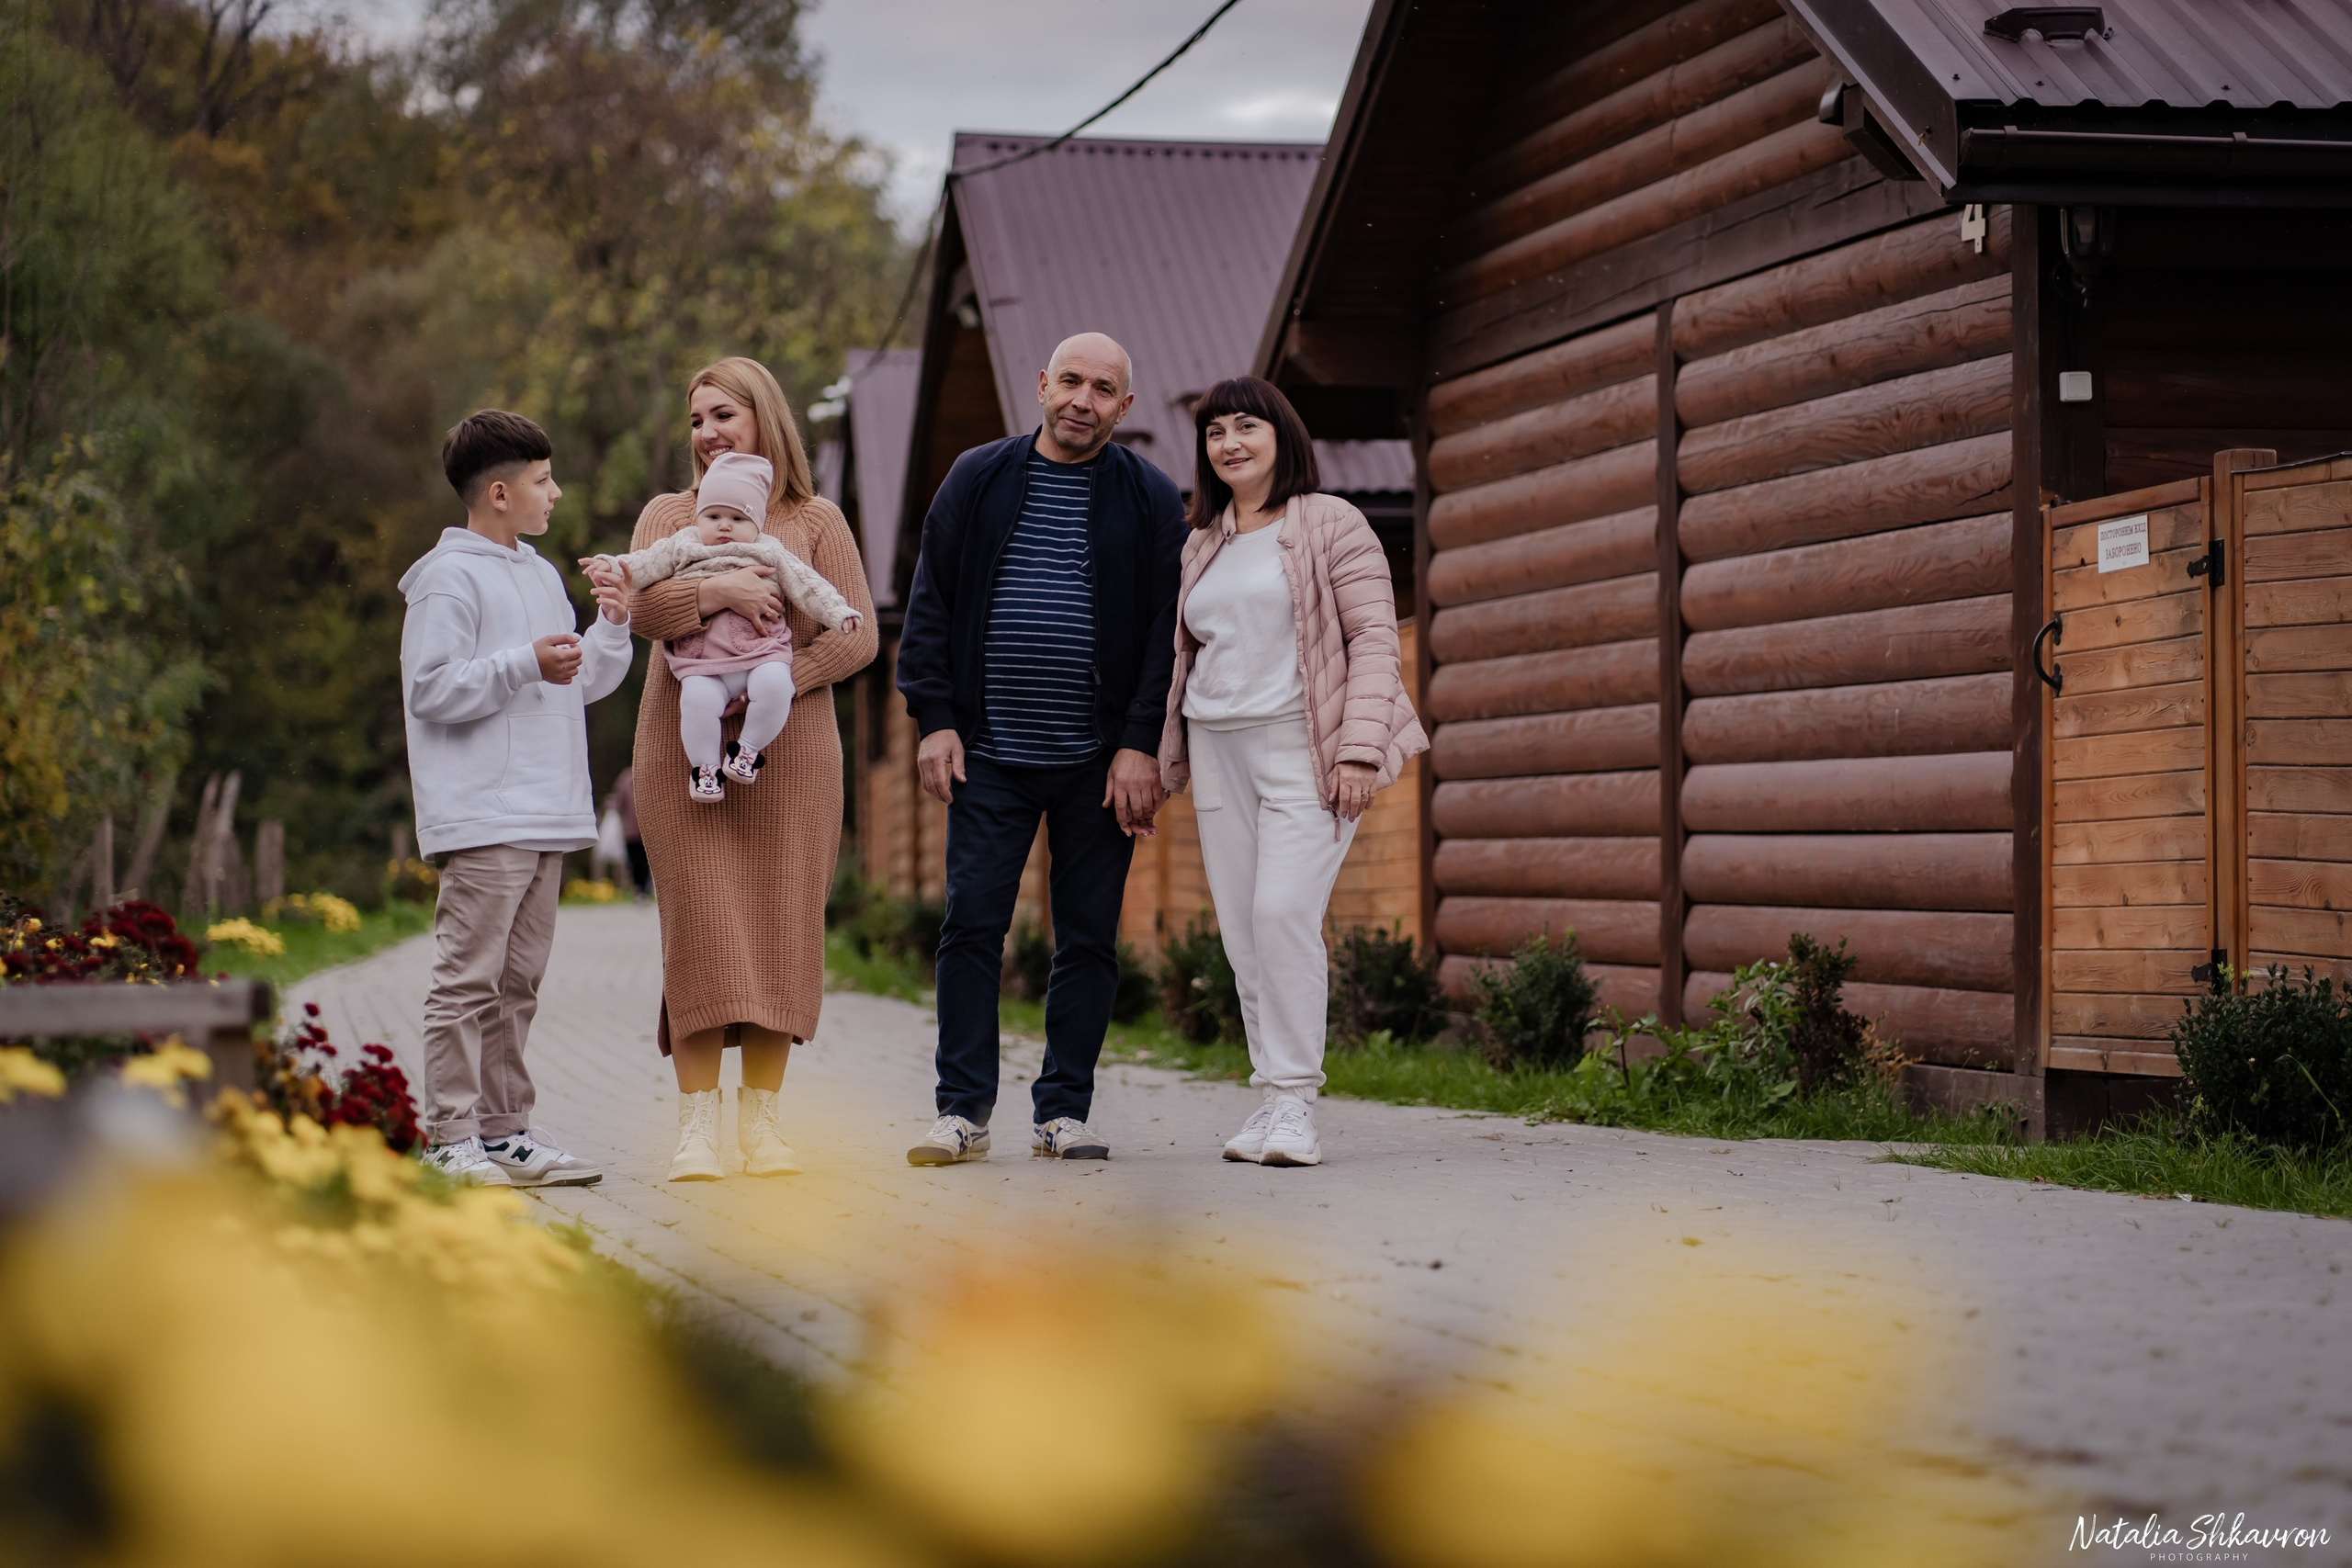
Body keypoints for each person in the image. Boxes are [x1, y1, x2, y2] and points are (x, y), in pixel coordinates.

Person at [895, 332, 1185, 1167]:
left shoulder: (1152, 498)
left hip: (1099, 765)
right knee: (972, 926)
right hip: (988, 755)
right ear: (1040, 385)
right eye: (1070, 381)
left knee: (1088, 936)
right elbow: (931, 607)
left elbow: (1166, 638)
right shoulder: (978, 477)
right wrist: (935, 719)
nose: (1082, 400)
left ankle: (1064, 1109)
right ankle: (962, 1111)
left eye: (1102, 389)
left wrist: (1138, 744)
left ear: (1124, 408)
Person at [583, 357, 876, 1182]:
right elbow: (639, 609)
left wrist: (781, 676)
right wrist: (721, 599)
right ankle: (696, 1130)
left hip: (792, 754)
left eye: (724, 416)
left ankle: (764, 1127)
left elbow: (855, 634)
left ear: (764, 419)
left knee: (782, 929)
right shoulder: (670, 515)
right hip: (685, 751)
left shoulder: (816, 520)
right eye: (697, 420)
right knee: (704, 930)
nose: (709, 434)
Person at [1157, 377, 1427, 1168]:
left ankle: (1297, 1105)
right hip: (1217, 746)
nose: (1231, 442)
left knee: (1281, 913)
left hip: (1304, 746)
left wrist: (1358, 750)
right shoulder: (1201, 541)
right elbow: (1187, 655)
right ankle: (1269, 1096)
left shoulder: (1332, 522)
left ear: (1281, 435)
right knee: (1244, 932)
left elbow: (1375, 638)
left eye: (1247, 426)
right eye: (1215, 433)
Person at [400, 409, 633, 1188]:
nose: (556, 493)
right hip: (482, 813)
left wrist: (612, 625)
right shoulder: (445, 578)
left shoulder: (538, 574)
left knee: (518, 983)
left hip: (548, 811)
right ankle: (450, 1137)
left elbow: (580, 682)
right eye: (543, 481)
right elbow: (430, 690)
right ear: (498, 492)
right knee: (467, 980)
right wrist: (521, 663)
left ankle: (505, 1134)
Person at [590, 451, 862, 801]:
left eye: (737, 517)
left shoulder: (769, 551)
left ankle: (746, 751)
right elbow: (642, 565)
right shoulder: (683, 544)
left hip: (761, 653)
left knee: (777, 686)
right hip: (702, 660)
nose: (724, 525)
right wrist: (610, 567)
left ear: (757, 526)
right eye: (714, 515)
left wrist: (839, 613)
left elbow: (808, 585)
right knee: (697, 704)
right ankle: (705, 770)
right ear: (699, 516)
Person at [611, 767, 649, 897]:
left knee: (647, 860)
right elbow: (619, 800)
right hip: (631, 829)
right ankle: (639, 888)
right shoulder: (626, 777)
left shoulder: (649, 773)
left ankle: (645, 888)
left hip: (647, 828)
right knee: (634, 860)